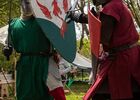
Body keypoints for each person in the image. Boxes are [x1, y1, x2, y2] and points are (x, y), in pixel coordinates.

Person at [68, 0, 140, 99]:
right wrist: (78, 17)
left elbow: (103, 37)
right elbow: (102, 21)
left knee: (105, 93)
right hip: (128, 55)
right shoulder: (118, 4)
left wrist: (91, 18)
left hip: (122, 60)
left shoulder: (111, 7)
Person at [2, 0, 66, 100]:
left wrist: (57, 53)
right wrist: (7, 49)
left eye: (29, 2)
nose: (27, 5)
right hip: (25, 64)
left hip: (45, 61)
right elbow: (9, 44)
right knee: (26, 94)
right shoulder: (13, 24)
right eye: (25, 2)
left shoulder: (44, 21)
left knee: (56, 93)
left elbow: (58, 40)